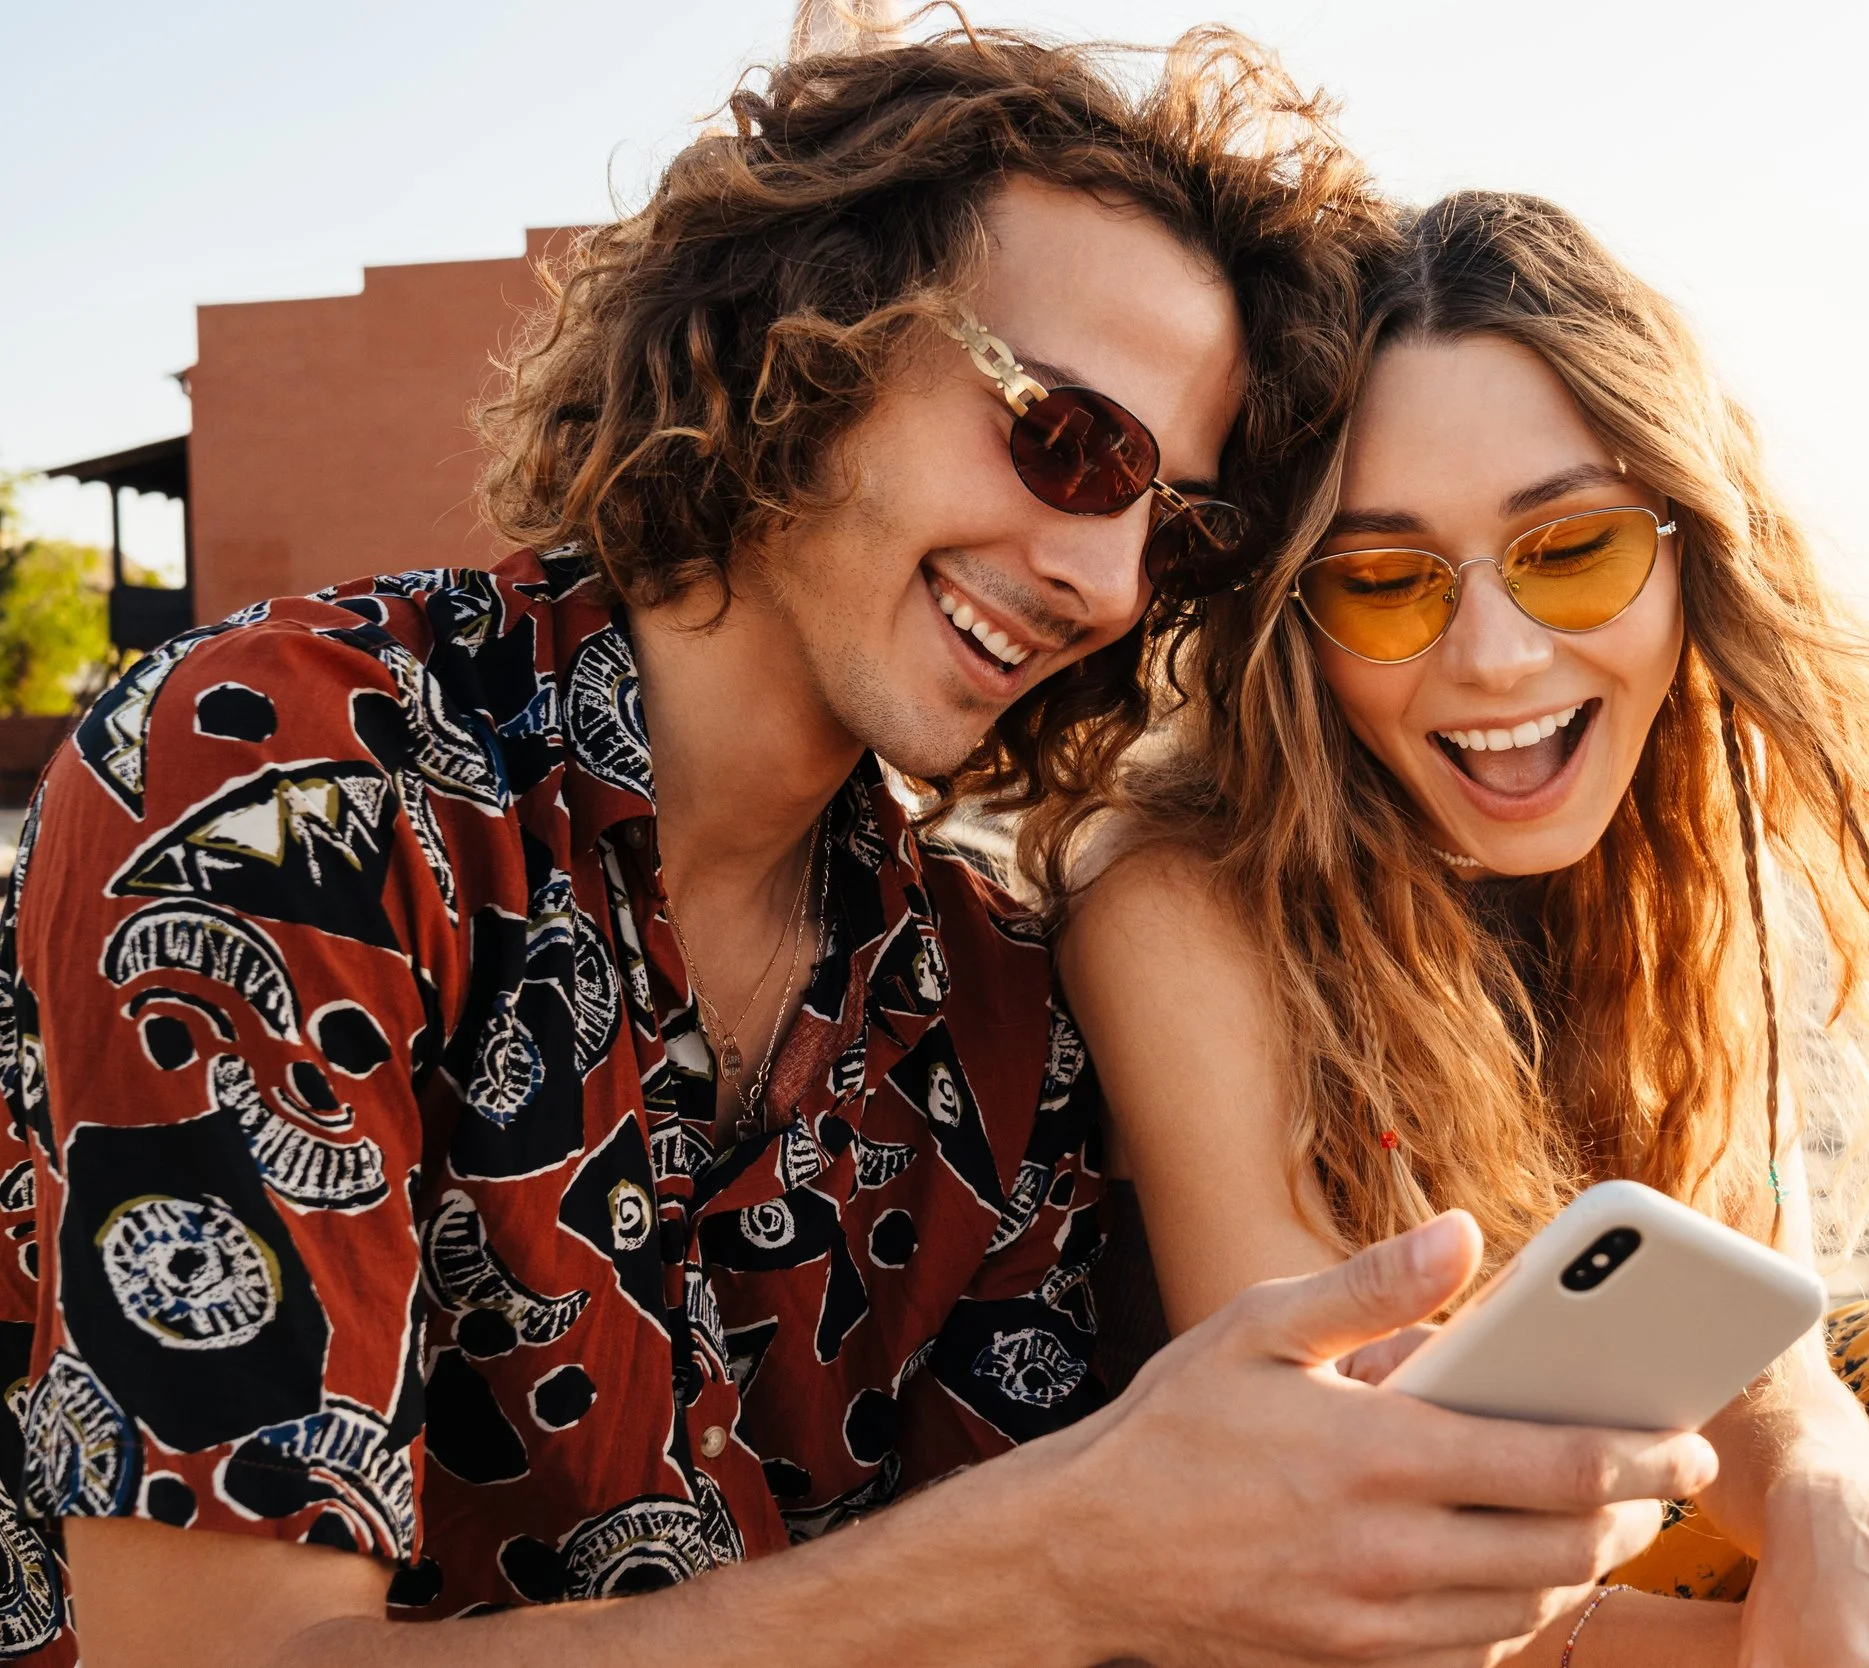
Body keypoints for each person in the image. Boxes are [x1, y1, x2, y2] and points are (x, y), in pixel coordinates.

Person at [0, 42, 1720, 1668]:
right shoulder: (289, 780)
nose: (1109, 581)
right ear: (799, 341)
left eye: (1176, 528)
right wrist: (1058, 1555)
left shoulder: (988, 1007)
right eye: (1071, 442)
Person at [1056, 191, 1869, 1667]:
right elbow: (1337, 1554)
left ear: (1687, 552)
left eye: (1574, 550)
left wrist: (1836, 1507)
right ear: (1297, 627)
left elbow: (1751, 1338)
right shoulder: (1178, 907)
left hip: (1564, 1543)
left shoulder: (1680, 861)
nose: (1495, 658)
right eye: (1387, 583)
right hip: (1316, 1616)